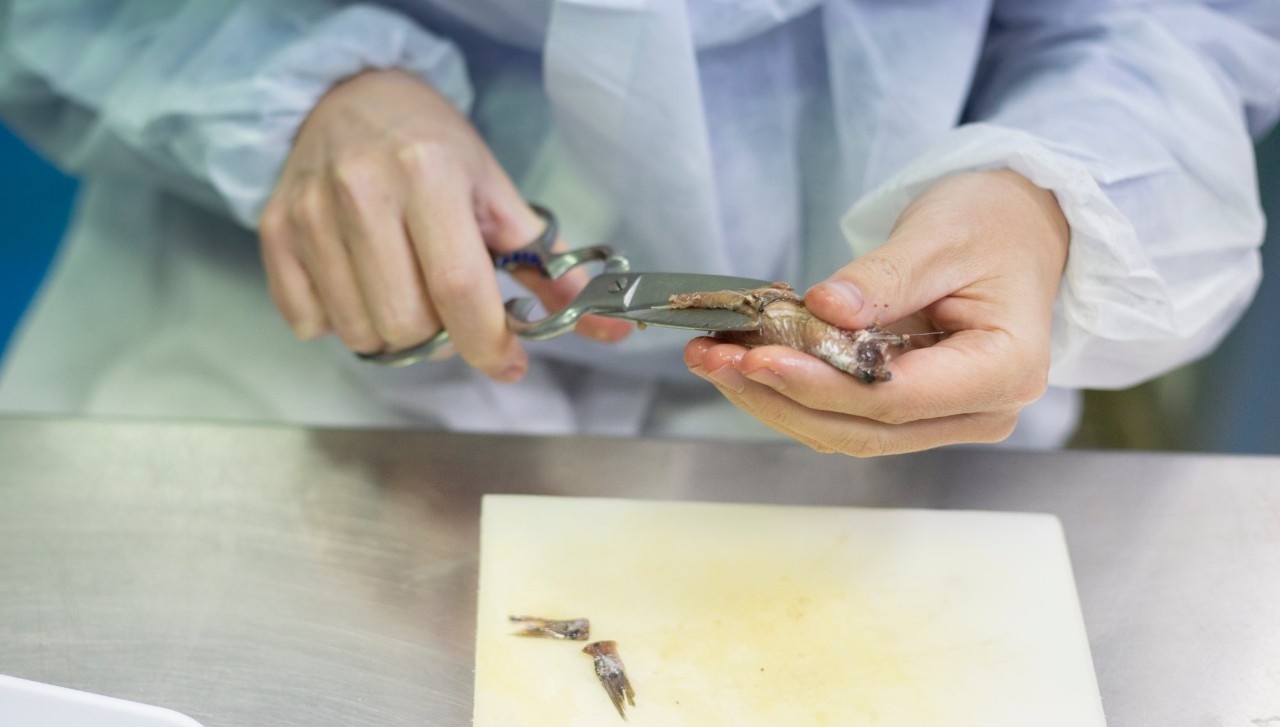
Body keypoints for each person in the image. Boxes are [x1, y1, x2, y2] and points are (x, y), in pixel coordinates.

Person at [0, 1, 1277, 454]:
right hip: (288, 341)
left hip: (908, 383)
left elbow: (1172, 18)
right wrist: (298, 87)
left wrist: (1042, 193)